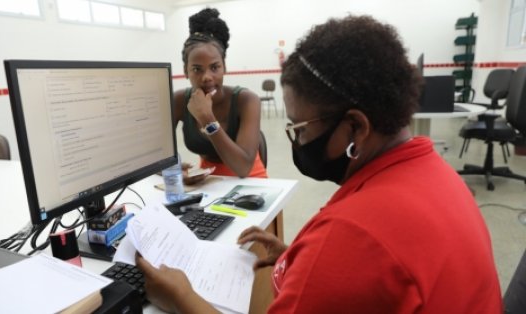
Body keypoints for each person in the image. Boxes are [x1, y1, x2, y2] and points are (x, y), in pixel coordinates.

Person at [136, 15, 502, 313]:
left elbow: (354, 250)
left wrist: (182, 296)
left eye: (298, 127)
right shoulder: (436, 173)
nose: (295, 140)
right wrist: (297, 257)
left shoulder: (352, 236)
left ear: (356, 126)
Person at [174, 8, 267, 182]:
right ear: (186, 72)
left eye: (215, 67)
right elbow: (153, 156)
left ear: (224, 67)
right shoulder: (179, 101)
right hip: (208, 181)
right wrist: (173, 170)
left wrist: (207, 119)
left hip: (250, 182)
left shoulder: (246, 100)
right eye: (196, 69)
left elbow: (243, 168)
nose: (207, 77)